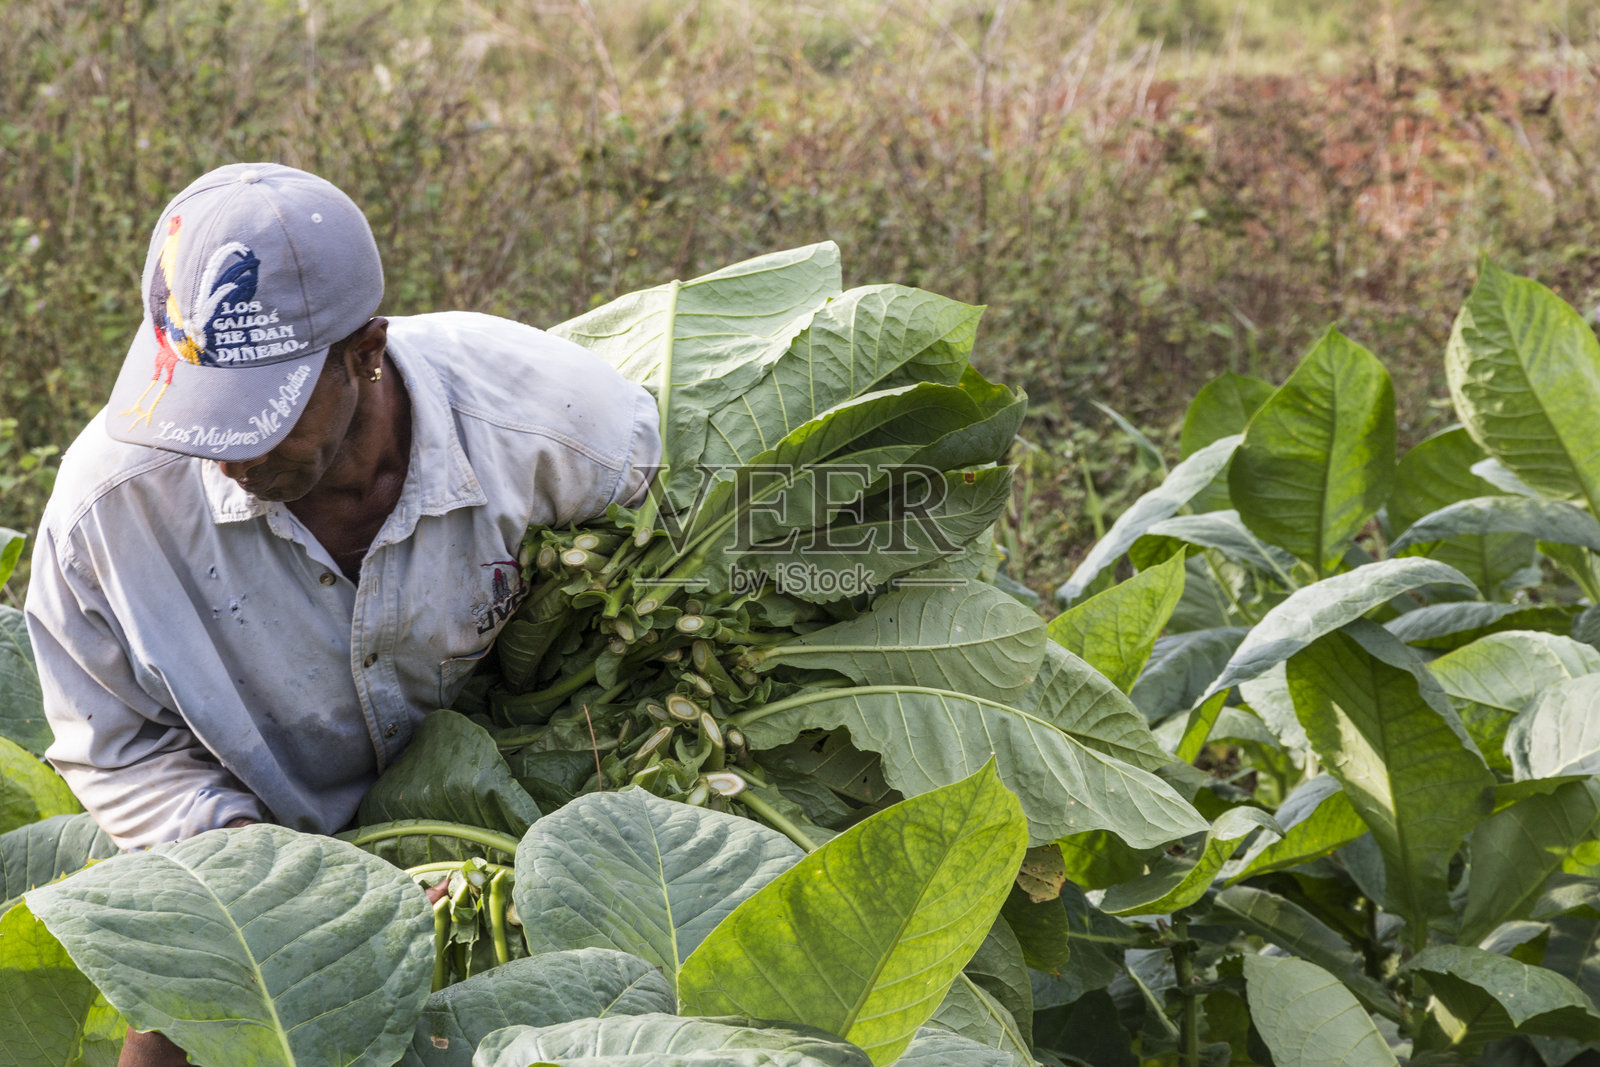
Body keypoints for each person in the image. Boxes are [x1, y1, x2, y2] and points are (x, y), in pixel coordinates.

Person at [23, 163, 661, 1066]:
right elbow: (113, 740)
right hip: (259, 845)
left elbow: (662, 584)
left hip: (514, 822)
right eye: (199, 407)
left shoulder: (554, 424)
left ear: (365, 350)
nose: (224, 452)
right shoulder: (109, 513)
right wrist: (272, 876)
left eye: (258, 416)